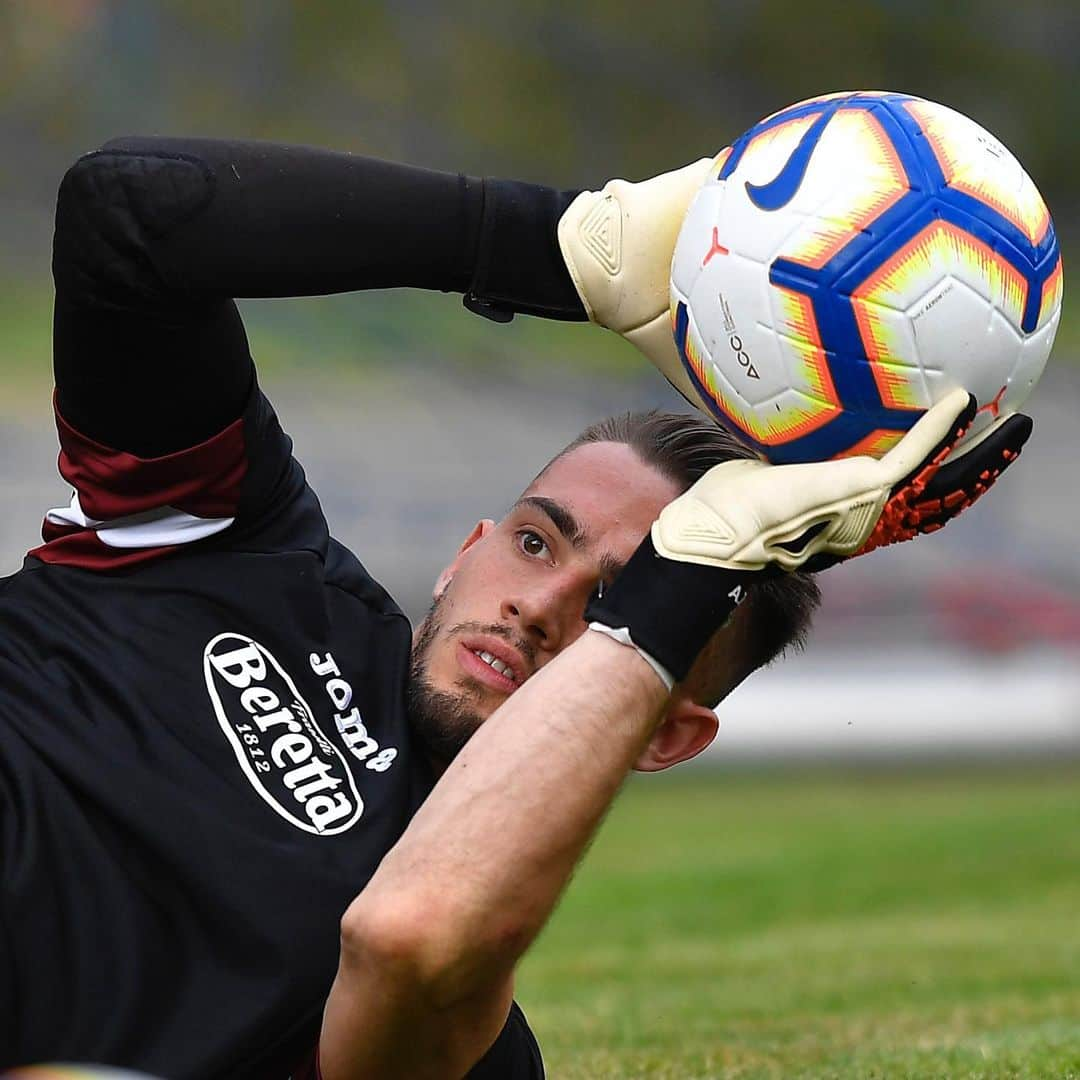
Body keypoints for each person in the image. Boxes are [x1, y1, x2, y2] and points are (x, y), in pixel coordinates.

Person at [0, 137, 1030, 1079]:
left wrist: (693, 580)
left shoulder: (469, 1043)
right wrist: (554, 244)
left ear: (666, 732)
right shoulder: (242, 546)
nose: (539, 606)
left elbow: (411, 944)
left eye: (619, 602)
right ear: (463, 556)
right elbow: (127, 219)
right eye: (536, 541)